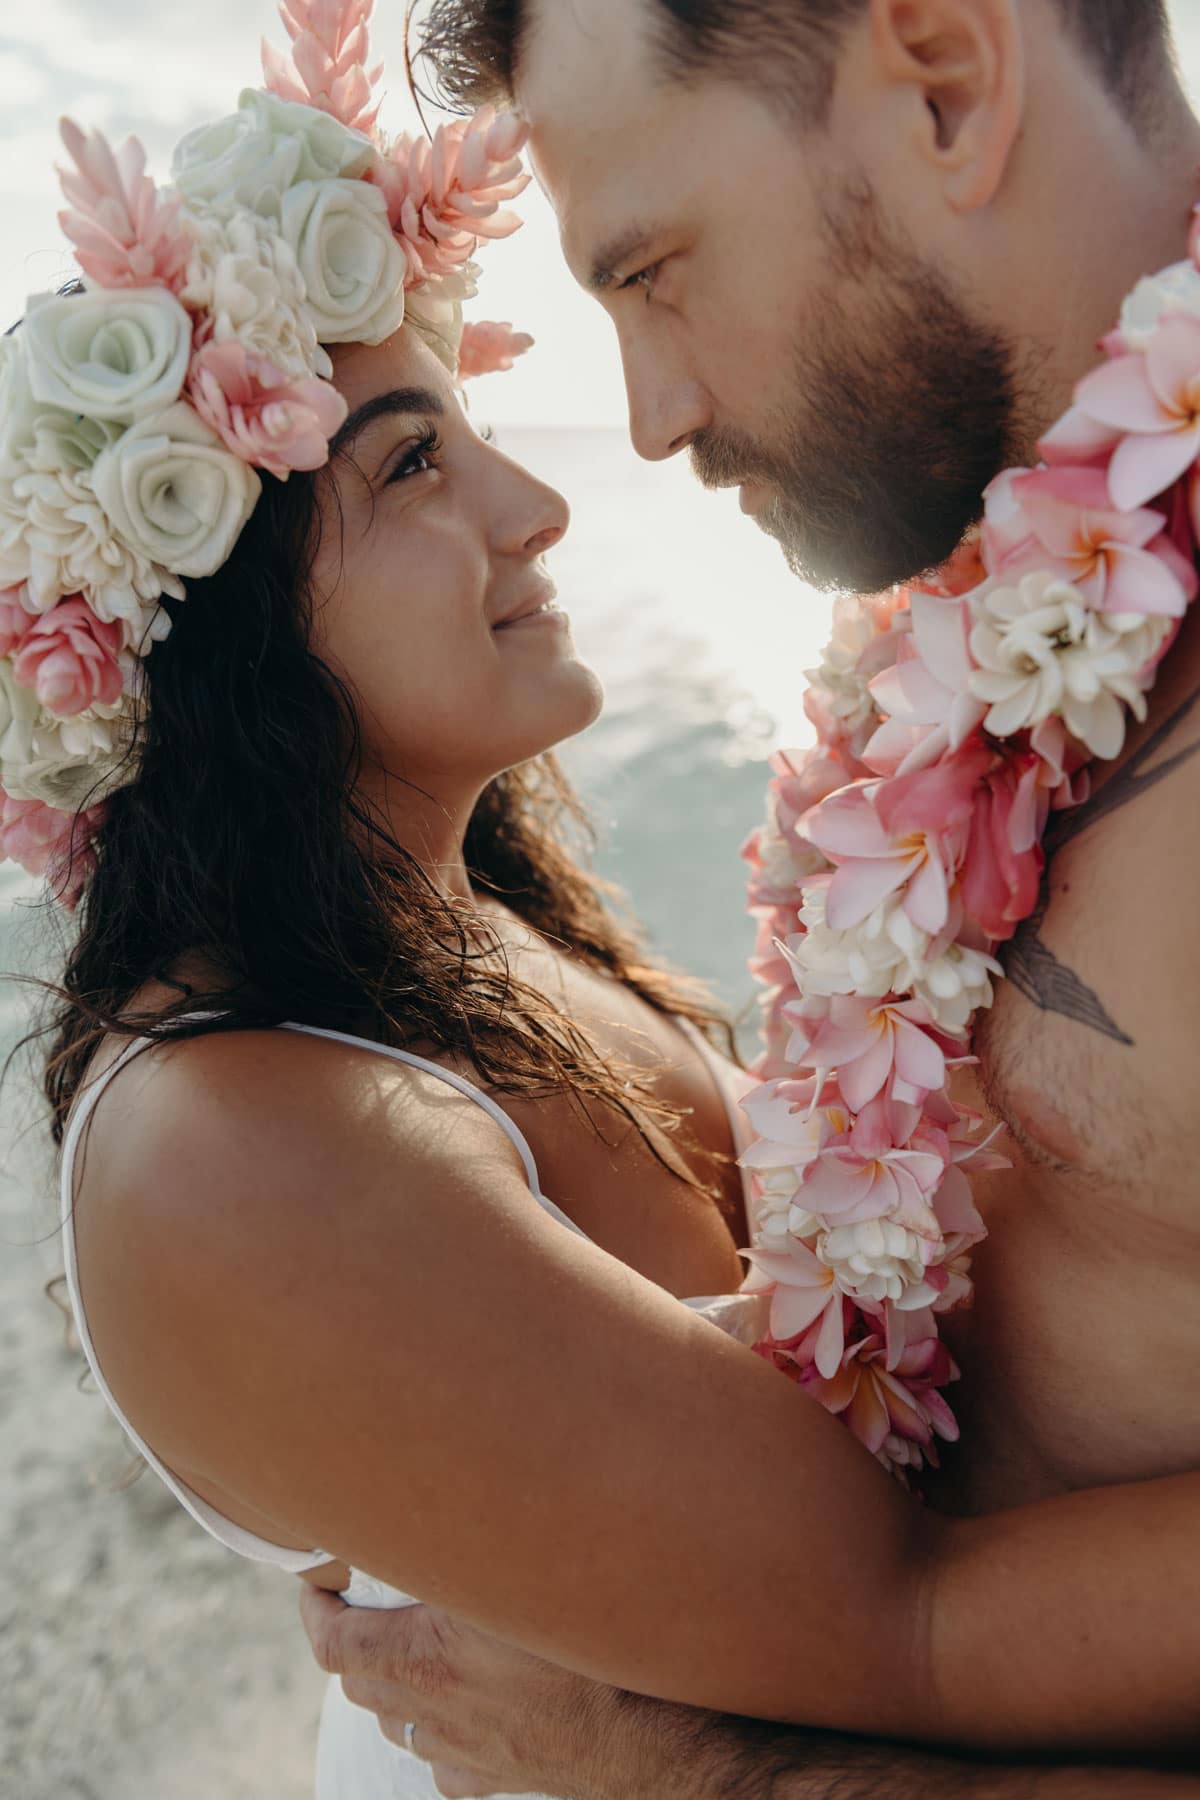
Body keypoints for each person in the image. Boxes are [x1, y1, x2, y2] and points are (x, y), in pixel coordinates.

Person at [293, 0, 1200, 1793]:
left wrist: (728, 1772)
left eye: (652, 271)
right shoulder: (988, 575)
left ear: (945, 80)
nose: (644, 423)